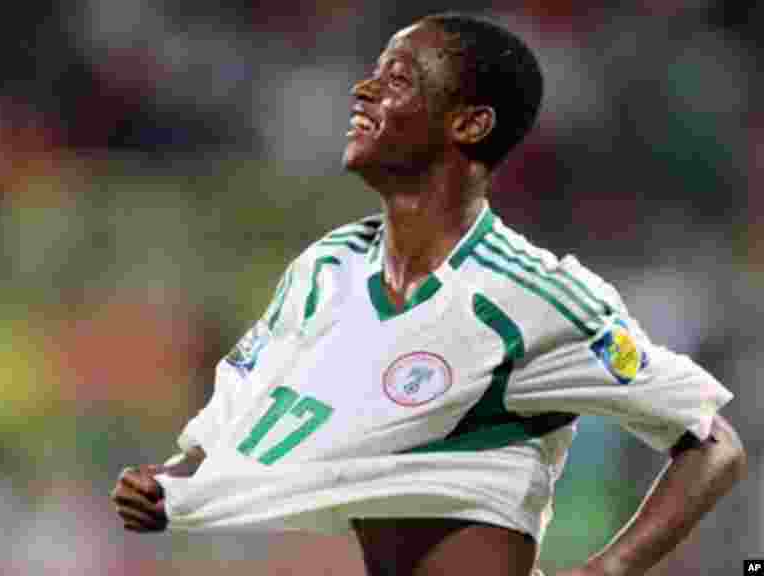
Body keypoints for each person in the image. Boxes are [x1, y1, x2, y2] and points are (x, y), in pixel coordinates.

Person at [110, 12, 746, 576]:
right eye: (372, 74)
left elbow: (713, 445)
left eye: (397, 80)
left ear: (469, 124)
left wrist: (611, 569)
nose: (363, 90)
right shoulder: (328, 269)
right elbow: (248, 404)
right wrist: (176, 477)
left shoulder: (530, 295)